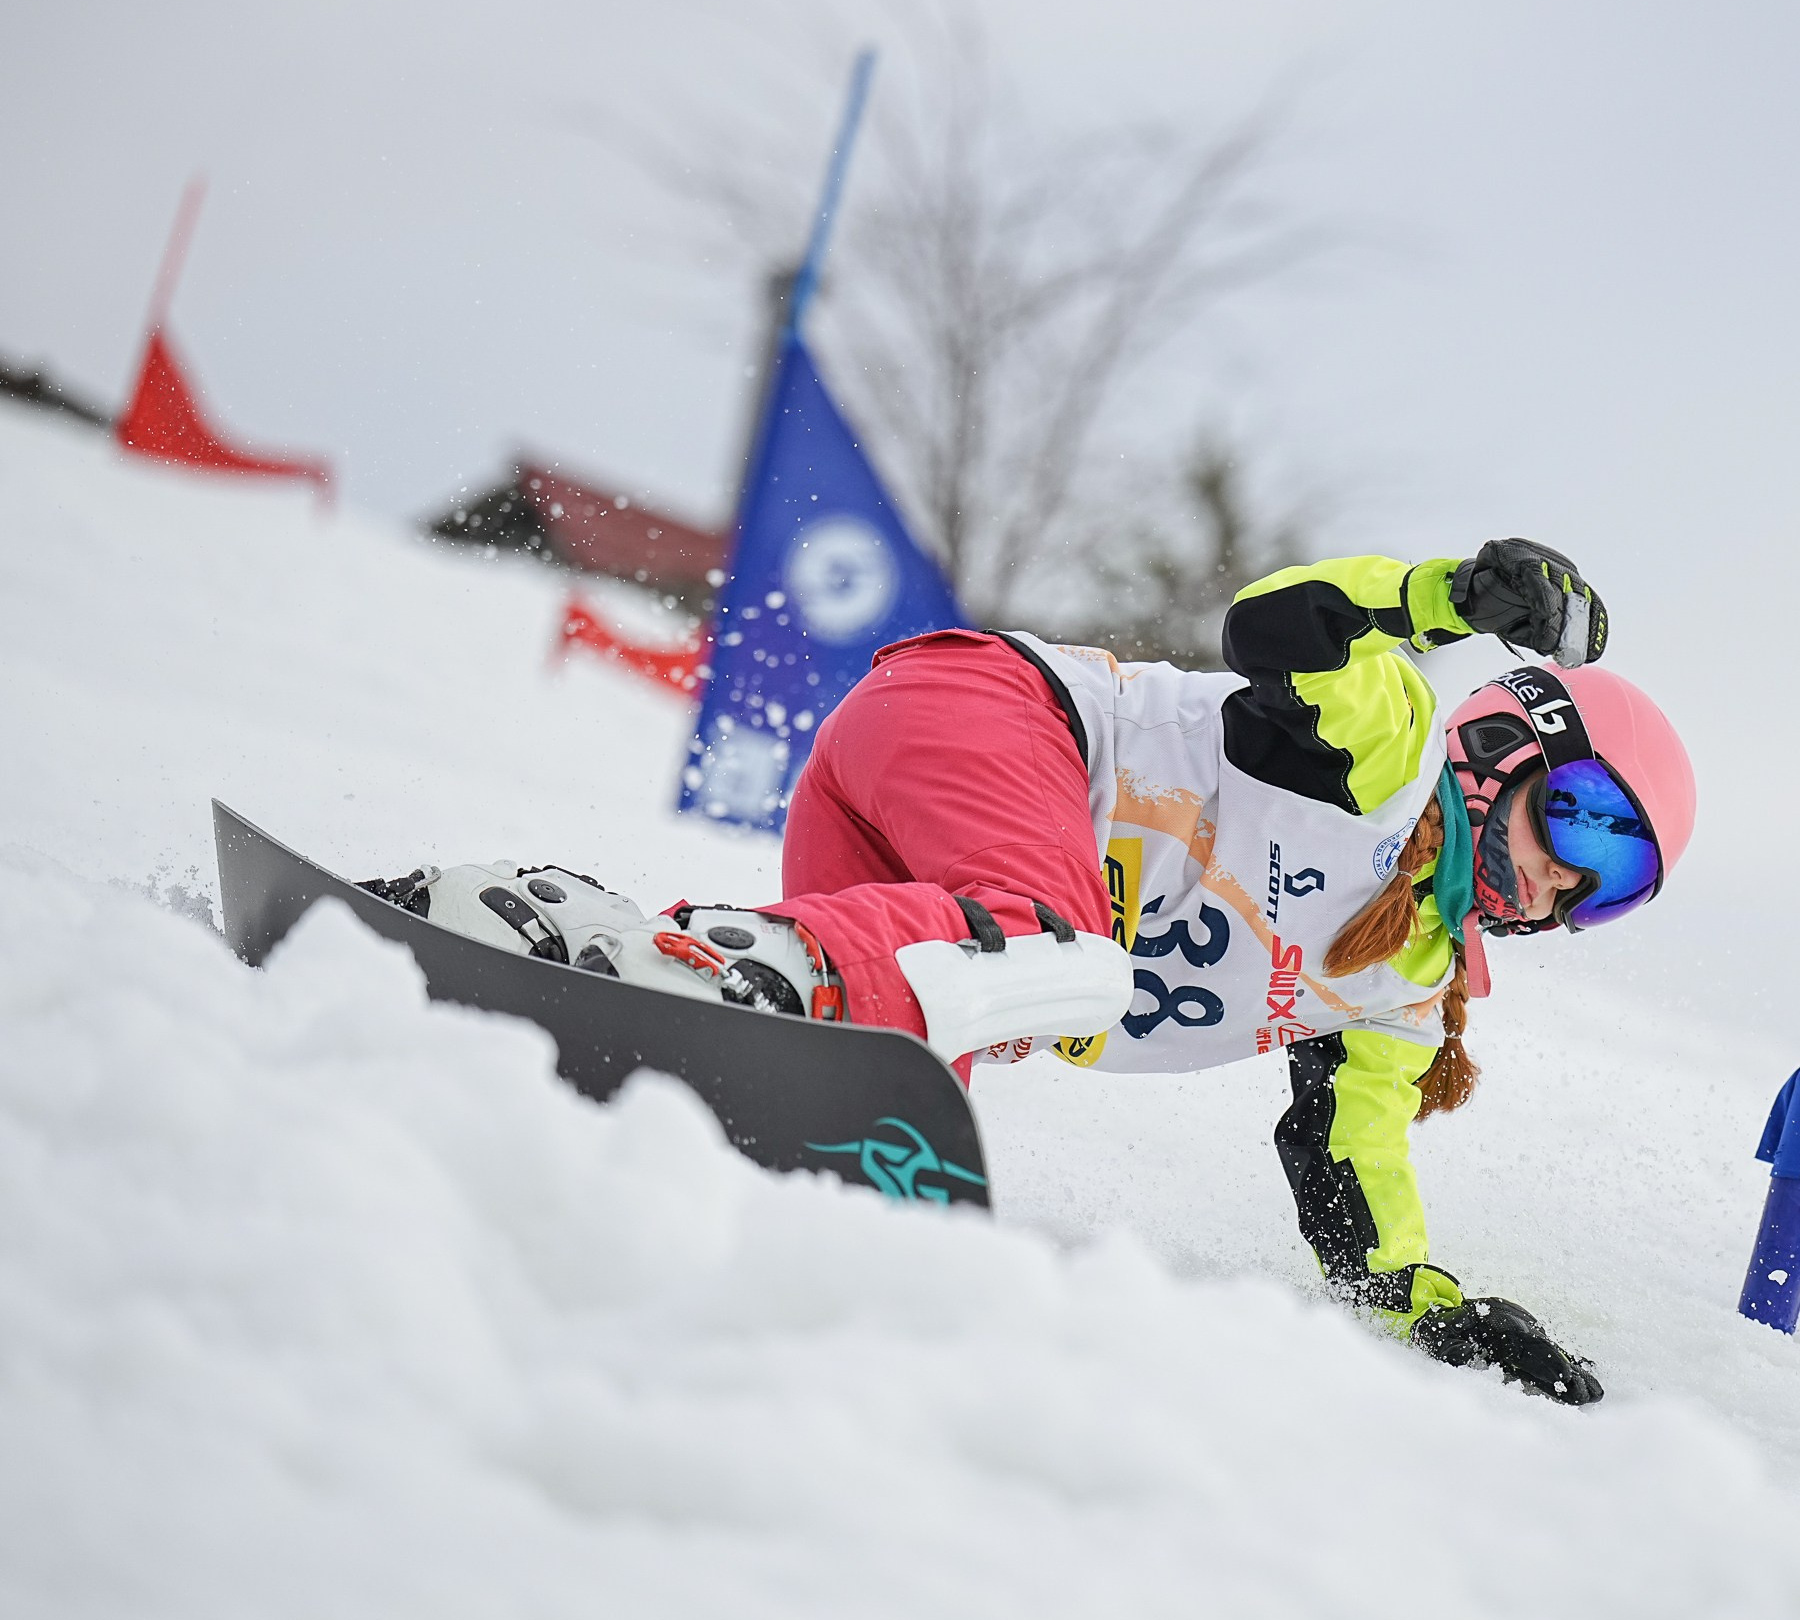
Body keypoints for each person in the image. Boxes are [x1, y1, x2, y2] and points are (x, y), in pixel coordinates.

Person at [371, 540, 1695, 1404]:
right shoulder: (1393, 752)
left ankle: (530, 933)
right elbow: (1274, 629)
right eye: (1582, 817)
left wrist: (1434, 1319)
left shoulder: (1404, 989)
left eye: (1614, 879)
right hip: (996, 716)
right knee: (1056, 949)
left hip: (902, 806)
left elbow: (1354, 1177)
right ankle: (654, 957)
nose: (1569, 877)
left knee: (888, 1056)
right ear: (1517, 740)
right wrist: (1450, 599)